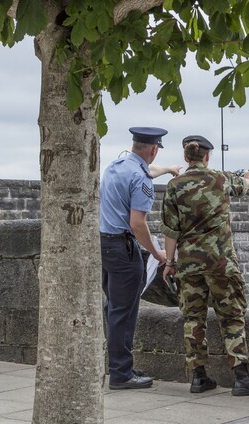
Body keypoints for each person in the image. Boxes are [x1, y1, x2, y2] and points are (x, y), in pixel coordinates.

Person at [161, 135, 249, 396]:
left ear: (186, 157)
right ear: (207, 156)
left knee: (193, 318)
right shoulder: (221, 179)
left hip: (189, 264)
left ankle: (198, 377)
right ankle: (242, 378)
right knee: (231, 316)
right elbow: (245, 184)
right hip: (220, 262)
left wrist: (169, 263)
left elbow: (170, 230)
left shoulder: (174, 185)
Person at [100, 126, 169, 390]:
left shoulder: (116, 166)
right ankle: (121, 374)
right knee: (124, 311)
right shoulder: (141, 179)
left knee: (113, 308)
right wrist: (157, 253)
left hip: (105, 244)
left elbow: (148, 169)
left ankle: (119, 367)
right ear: (154, 149)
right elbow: (137, 224)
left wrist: (169, 169)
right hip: (124, 248)